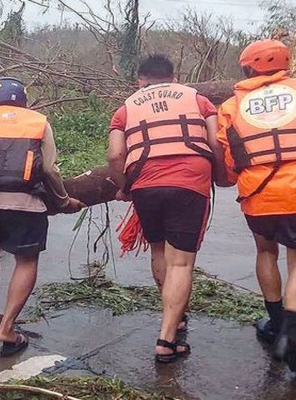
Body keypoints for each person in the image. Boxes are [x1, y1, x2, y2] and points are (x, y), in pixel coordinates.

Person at [216, 39, 296, 376]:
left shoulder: (230, 107)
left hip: (259, 195)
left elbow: (230, 160)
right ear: (286, 64)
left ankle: (274, 324)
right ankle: (289, 333)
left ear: (248, 68)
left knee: (266, 252)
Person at [107, 54, 225, 363]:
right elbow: (216, 142)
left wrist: (124, 187)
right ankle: (167, 339)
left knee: (159, 250)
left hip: (145, 182)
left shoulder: (125, 108)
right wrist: (223, 175)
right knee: (181, 264)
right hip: (190, 181)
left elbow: (115, 155)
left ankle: (175, 317)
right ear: (174, 78)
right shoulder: (198, 100)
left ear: (140, 81)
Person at [0, 77, 85, 356]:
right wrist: (63, 201)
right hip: (25, 203)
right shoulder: (39, 123)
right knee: (26, 260)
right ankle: (6, 328)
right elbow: (50, 170)